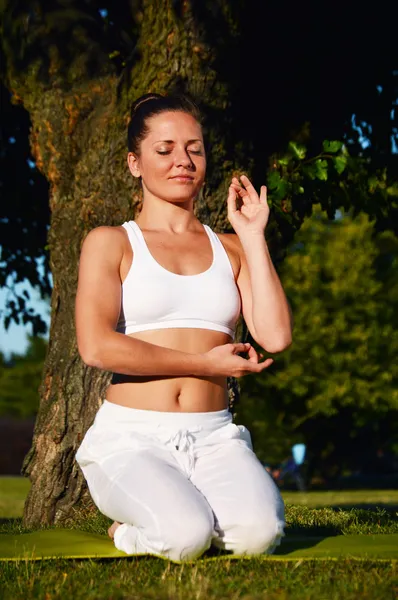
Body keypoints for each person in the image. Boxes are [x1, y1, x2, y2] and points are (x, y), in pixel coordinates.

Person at [75, 93, 293, 561]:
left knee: (260, 536)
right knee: (186, 536)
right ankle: (125, 533)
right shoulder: (111, 243)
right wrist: (201, 362)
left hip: (213, 435)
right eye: (165, 149)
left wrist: (254, 237)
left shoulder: (232, 247)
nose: (183, 161)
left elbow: (274, 336)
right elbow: (96, 347)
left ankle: (192, 510)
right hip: (131, 439)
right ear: (135, 163)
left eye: (194, 148)